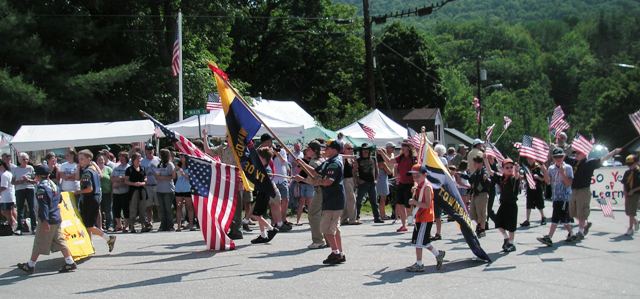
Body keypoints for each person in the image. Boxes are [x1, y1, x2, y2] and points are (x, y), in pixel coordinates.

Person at [17, 165, 77, 274]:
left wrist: (44, 221)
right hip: (57, 217)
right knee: (60, 241)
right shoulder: (54, 185)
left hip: (48, 219)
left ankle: (30, 265)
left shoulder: (41, 188)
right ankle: (70, 262)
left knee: (39, 242)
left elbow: (43, 206)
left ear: (38, 176)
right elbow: (59, 200)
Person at [296, 140, 346, 264]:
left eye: (327, 147)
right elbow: (314, 172)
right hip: (331, 199)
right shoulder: (328, 161)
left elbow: (328, 181)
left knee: (327, 229)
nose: (325, 150)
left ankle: (336, 254)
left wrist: (315, 182)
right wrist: (302, 163)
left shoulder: (334, 163)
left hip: (333, 200)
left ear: (334, 149)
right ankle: (340, 252)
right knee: (335, 229)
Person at [565, 147, 621, 240]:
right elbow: (563, 157)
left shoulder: (589, 163)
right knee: (572, 212)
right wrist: (556, 147)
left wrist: (614, 152)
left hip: (583, 190)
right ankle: (585, 225)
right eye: (575, 153)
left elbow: (603, 159)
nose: (576, 155)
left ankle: (580, 232)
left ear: (584, 154)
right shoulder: (574, 162)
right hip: (574, 190)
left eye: (578, 153)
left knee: (582, 212)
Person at [405, 164, 446, 272]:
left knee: (419, 242)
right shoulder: (419, 186)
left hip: (425, 217)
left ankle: (419, 264)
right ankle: (438, 254)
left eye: (417, 176)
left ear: (425, 175)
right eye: (413, 176)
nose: (415, 178)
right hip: (420, 217)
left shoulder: (427, 187)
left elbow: (427, 205)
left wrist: (414, 201)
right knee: (422, 241)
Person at [77, 150, 116, 252]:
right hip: (94, 199)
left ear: (89, 159)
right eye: (79, 159)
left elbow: (89, 189)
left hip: (90, 200)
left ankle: (109, 238)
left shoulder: (87, 172)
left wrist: (77, 192)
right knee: (87, 225)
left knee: (89, 226)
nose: (80, 161)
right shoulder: (93, 169)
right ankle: (90, 246)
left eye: (82, 159)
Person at [537, 148, 576, 246]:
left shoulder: (568, 168)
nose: (558, 158)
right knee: (563, 218)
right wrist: (545, 171)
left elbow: (568, 183)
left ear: (563, 157)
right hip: (556, 196)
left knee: (555, 217)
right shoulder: (551, 168)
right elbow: (548, 182)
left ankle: (549, 237)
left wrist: (562, 172)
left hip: (565, 197)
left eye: (560, 156)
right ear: (553, 158)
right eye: (556, 157)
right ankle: (572, 233)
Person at [378, 142, 416, 233]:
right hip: (401, 183)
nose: (401, 149)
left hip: (410, 184)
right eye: (402, 147)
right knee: (399, 204)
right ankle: (404, 225)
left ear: (408, 148)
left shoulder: (413, 159)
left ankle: (411, 221)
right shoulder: (401, 157)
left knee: (408, 205)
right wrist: (382, 153)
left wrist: (415, 184)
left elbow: (416, 172)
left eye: (403, 147)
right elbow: (390, 161)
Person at [486, 158, 520, 252]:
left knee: (511, 226)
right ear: (502, 169)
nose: (509, 169)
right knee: (498, 222)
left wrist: (516, 170)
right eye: (507, 167)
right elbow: (490, 171)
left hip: (512, 205)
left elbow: (517, 177)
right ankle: (506, 238)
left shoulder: (513, 178)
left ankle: (511, 244)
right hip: (504, 204)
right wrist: (485, 159)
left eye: (511, 167)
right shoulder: (501, 178)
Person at [249, 147, 280, 244]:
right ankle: (263, 235)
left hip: (265, 193)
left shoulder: (267, 169)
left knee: (255, 214)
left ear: (263, 159)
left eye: (258, 158)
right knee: (259, 214)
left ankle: (271, 229)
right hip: (261, 192)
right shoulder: (260, 168)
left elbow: (268, 179)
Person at [354, 143, 383, 224]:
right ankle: (357, 217)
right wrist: (358, 180)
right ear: (361, 151)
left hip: (372, 183)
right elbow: (355, 171)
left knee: (374, 201)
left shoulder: (373, 159)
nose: (365, 151)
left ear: (369, 151)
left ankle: (377, 218)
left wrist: (376, 180)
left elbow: (377, 170)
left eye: (367, 150)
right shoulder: (358, 160)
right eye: (364, 150)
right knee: (359, 201)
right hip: (362, 183)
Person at [295, 142, 319, 226]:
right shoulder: (303, 161)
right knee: (302, 202)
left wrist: (304, 165)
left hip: (310, 184)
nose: (307, 152)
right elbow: (298, 172)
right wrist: (298, 179)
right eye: (306, 150)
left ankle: (311, 220)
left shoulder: (312, 161)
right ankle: (298, 220)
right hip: (303, 183)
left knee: (310, 203)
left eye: (309, 149)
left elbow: (314, 174)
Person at [13, 152, 36, 234]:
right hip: (19, 190)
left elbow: (35, 181)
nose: (25, 161)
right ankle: (20, 228)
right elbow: (13, 182)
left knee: (32, 208)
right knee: (20, 209)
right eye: (23, 159)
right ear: (19, 160)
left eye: (27, 159)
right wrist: (21, 181)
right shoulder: (16, 169)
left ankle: (34, 227)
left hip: (30, 189)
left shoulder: (30, 168)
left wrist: (28, 180)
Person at [126, 152, 149, 233]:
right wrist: (134, 184)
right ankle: (132, 227)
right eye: (138, 158)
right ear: (134, 159)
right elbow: (126, 181)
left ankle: (143, 226)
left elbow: (146, 179)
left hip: (142, 190)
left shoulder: (143, 168)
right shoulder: (129, 169)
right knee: (133, 209)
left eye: (140, 158)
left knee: (142, 208)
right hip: (133, 191)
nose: (140, 160)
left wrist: (142, 183)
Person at [468, 156, 490, 237]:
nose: (474, 164)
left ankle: (482, 229)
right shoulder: (476, 171)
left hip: (482, 194)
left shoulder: (484, 171)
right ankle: (480, 225)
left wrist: (486, 177)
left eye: (475, 163)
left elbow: (487, 177)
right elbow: (471, 179)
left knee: (481, 212)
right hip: (475, 193)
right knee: (473, 213)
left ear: (480, 163)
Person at [521, 157, 546, 227]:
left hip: (537, 188)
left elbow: (543, 179)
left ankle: (543, 217)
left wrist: (538, 177)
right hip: (529, 188)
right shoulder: (526, 168)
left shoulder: (538, 167)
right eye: (528, 159)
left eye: (531, 159)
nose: (529, 160)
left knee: (539, 203)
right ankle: (527, 220)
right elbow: (524, 178)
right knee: (528, 204)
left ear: (534, 159)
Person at [111, 152, 130, 233]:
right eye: (120, 157)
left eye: (123, 157)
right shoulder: (116, 167)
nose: (121, 158)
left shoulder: (128, 168)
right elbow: (112, 178)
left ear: (126, 158)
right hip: (116, 192)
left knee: (126, 209)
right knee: (116, 209)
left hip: (125, 192)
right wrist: (119, 179)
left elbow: (127, 180)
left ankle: (126, 226)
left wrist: (119, 182)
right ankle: (119, 225)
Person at [175, 155, 195, 231]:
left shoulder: (190, 166)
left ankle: (191, 225)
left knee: (189, 207)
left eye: (182, 157)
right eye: (180, 157)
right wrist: (175, 170)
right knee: (179, 207)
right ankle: (179, 226)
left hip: (187, 189)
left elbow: (190, 178)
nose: (180, 158)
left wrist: (183, 173)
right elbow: (173, 177)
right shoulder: (178, 165)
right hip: (178, 189)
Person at [341, 142, 358, 225]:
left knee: (348, 200)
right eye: (349, 148)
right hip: (345, 180)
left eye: (352, 148)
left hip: (350, 179)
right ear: (344, 149)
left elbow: (353, 171)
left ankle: (343, 219)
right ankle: (352, 219)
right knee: (352, 199)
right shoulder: (343, 157)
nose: (351, 150)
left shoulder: (350, 159)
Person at [376, 142, 395, 220]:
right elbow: (389, 172)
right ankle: (383, 215)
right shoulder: (382, 163)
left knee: (383, 198)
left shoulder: (381, 162)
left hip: (383, 179)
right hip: (382, 179)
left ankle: (383, 214)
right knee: (383, 199)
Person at [623, 154, 640, 236]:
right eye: (628, 164)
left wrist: (633, 190)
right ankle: (636, 222)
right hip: (628, 194)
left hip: (636, 194)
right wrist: (625, 192)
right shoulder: (627, 172)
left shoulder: (638, 172)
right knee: (627, 212)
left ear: (637, 163)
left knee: (631, 212)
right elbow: (624, 183)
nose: (630, 166)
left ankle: (630, 229)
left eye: (631, 164)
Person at [96, 154, 113, 231]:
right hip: (98, 193)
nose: (101, 161)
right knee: (99, 210)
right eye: (99, 160)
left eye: (102, 160)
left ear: (104, 161)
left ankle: (109, 225)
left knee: (108, 210)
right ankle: (100, 225)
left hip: (107, 192)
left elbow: (112, 180)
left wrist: (112, 190)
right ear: (97, 161)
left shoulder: (108, 169)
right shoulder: (94, 169)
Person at [0, 160, 17, 234]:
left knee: (6, 212)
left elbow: (4, 187)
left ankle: (13, 225)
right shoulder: (9, 173)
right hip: (10, 196)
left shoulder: (4, 175)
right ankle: (15, 224)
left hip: (6, 197)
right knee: (9, 212)